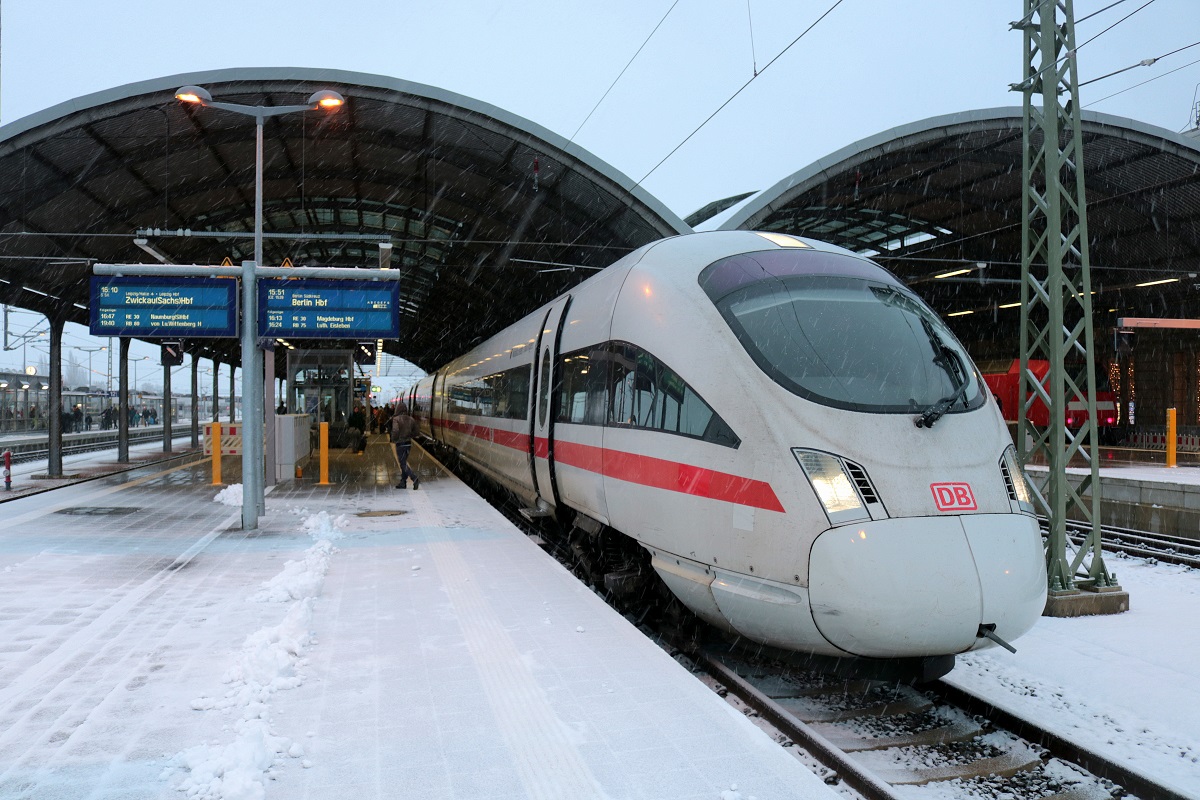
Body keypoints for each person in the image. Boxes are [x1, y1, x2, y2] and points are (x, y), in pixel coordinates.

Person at [390, 403, 419, 489]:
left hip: (400, 443)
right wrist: (409, 436)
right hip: (408, 443)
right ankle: (403, 482)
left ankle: (414, 478)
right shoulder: (411, 419)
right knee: (404, 462)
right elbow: (417, 432)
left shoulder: (396, 419)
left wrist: (394, 439)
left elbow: (395, 431)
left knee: (402, 463)